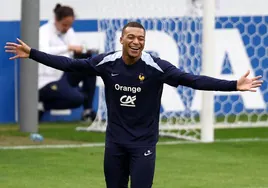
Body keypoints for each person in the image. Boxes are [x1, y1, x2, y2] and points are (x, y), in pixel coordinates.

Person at [5, 22, 263, 188]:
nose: (136, 41)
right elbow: (71, 65)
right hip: (114, 143)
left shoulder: (156, 67)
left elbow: (191, 80)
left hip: (143, 145)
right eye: (131, 37)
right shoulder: (107, 62)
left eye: (141, 38)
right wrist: (32, 54)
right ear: (121, 40)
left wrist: (233, 85)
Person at [38, 3, 96, 121]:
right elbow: (42, 53)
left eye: (70, 25)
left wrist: (83, 51)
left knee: (90, 64)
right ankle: (41, 106)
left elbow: (74, 52)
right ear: (56, 20)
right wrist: (68, 48)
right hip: (46, 81)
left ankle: (87, 111)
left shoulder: (69, 31)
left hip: (64, 75)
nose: (67, 28)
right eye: (64, 25)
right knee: (77, 98)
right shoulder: (43, 31)